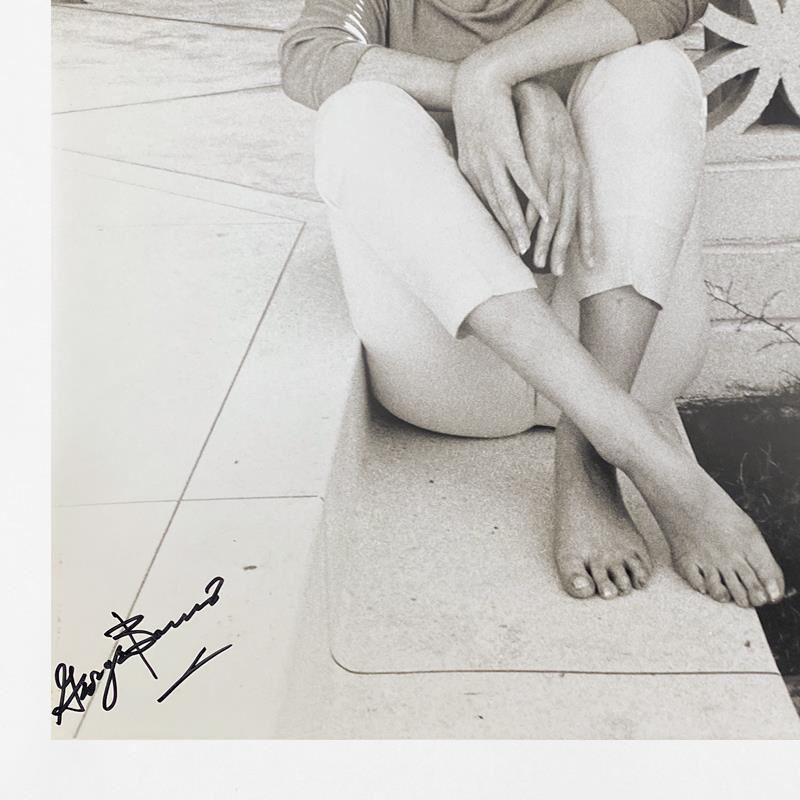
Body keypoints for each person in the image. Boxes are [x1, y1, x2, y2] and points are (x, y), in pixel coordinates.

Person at [279, 0, 785, 606]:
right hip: (454, 367)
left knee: (653, 69)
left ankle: (587, 457)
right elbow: (309, 55)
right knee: (355, 113)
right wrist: (503, 93)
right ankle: (640, 447)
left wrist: (496, 69)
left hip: (627, 353)